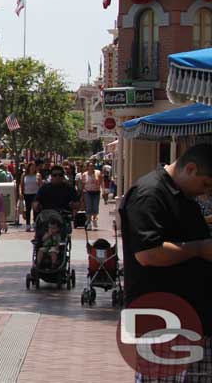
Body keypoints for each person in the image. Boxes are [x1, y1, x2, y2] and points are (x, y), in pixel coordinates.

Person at [121, 143, 212, 381]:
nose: (205, 192)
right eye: (205, 184)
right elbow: (148, 253)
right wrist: (200, 248)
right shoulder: (150, 193)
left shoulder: (182, 196)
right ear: (190, 169)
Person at [80, 161, 102, 230]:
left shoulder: (97, 173)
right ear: (87, 167)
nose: (91, 167)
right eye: (90, 166)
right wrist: (82, 195)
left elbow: (101, 182)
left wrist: (103, 190)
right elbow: (83, 185)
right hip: (87, 192)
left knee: (95, 207)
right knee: (89, 207)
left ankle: (94, 219)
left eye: (92, 166)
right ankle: (89, 222)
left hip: (96, 192)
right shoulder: (84, 175)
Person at [19, 161, 40, 231]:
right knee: (27, 209)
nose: (33, 168)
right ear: (29, 167)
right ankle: (28, 225)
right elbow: (21, 185)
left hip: (35, 194)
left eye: (34, 166)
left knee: (35, 210)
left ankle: (35, 224)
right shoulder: (24, 175)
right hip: (27, 194)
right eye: (32, 166)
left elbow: (40, 185)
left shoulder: (38, 175)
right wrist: (21, 193)